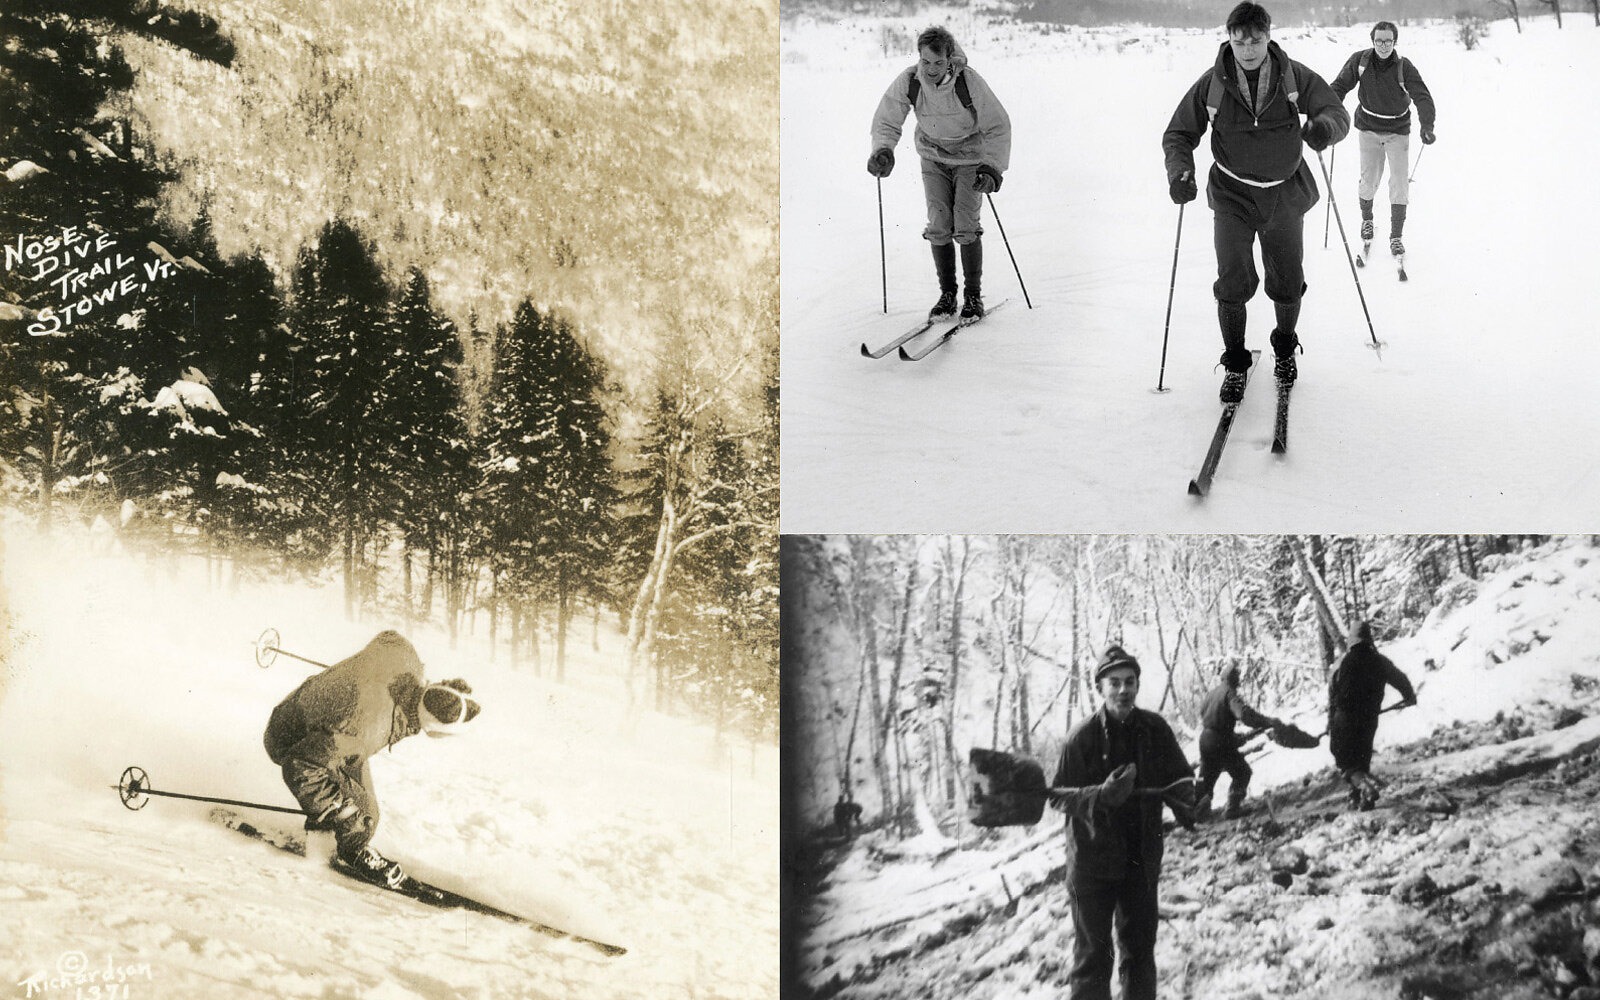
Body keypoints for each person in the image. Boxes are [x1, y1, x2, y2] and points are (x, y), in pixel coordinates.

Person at [1163, 2, 1351, 403]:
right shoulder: (1211, 85)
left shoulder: (1293, 76)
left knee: (1286, 280)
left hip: (1284, 193)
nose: (1248, 47)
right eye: (1239, 39)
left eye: (1256, 39)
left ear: (1268, 36)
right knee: (1232, 280)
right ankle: (1234, 363)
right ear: (1229, 38)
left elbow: (1336, 112)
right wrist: (1180, 171)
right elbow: (1179, 134)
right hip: (1232, 195)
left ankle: (1285, 350)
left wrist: (1323, 128)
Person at [263, 630, 481, 887]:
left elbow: (389, 637)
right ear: (433, 728)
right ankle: (345, 847)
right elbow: (300, 765)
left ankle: (329, 827)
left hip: (316, 718)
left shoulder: (406, 658)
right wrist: (340, 812)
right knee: (362, 819)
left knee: (362, 810)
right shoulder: (367, 728)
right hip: (288, 737)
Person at [1049, 645, 1195, 1000]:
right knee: (1093, 959)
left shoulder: (1155, 729)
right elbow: (1056, 795)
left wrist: (1191, 803)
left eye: (1129, 682)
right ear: (1100, 688)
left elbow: (1181, 781)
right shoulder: (1080, 738)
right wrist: (1101, 795)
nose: (1123, 690)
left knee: (1139, 954)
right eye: (1114, 683)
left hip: (1139, 862)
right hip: (1092, 864)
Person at [868, 25, 1012, 323]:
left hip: (970, 158)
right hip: (932, 156)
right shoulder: (911, 80)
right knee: (939, 221)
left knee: (965, 221)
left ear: (950, 59)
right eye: (925, 61)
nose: (931, 69)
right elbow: (888, 117)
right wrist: (883, 149)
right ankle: (948, 295)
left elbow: (997, 125)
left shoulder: (968, 81)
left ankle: (973, 297)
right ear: (919, 58)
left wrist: (992, 168)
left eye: (938, 62)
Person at [1328, 22, 1436, 260]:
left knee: (1399, 184)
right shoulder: (1360, 61)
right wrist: (1328, 113)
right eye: (1379, 41)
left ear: (1394, 42)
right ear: (1373, 41)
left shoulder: (1403, 67)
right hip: (1368, 129)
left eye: (1388, 41)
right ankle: (1367, 221)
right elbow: (1338, 87)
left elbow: (1422, 96)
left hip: (1398, 130)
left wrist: (1427, 125)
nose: (1384, 45)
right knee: (1369, 181)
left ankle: (1396, 236)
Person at [1327, 620, 1415, 810]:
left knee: (1345, 761)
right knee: (1361, 757)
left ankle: (1364, 789)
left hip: (1344, 718)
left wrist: (1330, 722)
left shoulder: (1341, 663)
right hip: (1369, 718)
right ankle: (1360, 798)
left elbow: (1332, 694)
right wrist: (1409, 696)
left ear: (1351, 639)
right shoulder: (1379, 660)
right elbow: (1400, 678)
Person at [1196, 663, 1284, 820]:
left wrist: (1232, 738)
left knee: (1207, 775)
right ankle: (1232, 808)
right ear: (1232, 678)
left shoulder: (1211, 694)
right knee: (1242, 773)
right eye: (1237, 677)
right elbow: (1244, 714)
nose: (1239, 680)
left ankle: (1198, 813)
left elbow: (1207, 716)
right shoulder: (1229, 693)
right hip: (1219, 741)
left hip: (1205, 739)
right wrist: (1266, 721)